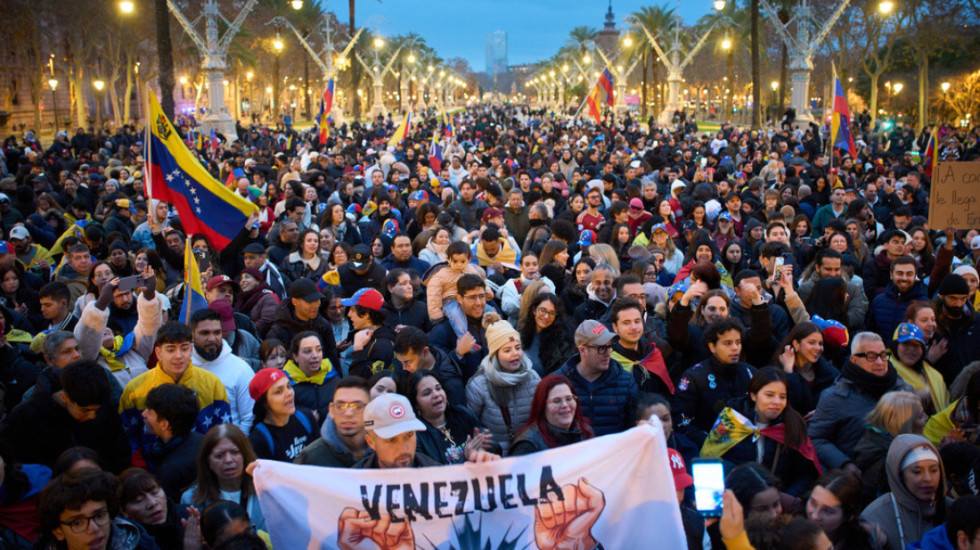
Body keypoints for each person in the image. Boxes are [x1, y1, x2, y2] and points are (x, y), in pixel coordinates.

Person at [701, 367, 822, 497]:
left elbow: (805, 476)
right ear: (753, 395)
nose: (777, 402)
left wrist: (784, 498)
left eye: (782, 397)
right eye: (769, 395)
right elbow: (710, 462)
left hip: (776, 505)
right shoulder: (731, 421)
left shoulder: (793, 426)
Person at [118, 322, 232, 459]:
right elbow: (128, 434)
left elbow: (223, 430)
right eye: (171, 350)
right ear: (159, 353)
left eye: (184, 349)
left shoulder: (212, 383)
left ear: (191, 350)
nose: (179, 356)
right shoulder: (135, 389)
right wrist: (138, 460)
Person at [0, 360, 130, 474]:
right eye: (85, 410)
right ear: (65, 398)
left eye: (97, 410)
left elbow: (120, 449)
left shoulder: (103, 400)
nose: (92, 416)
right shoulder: (26, 417)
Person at [809, 332, 913, 474]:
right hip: (858, 479)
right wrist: (844, 464)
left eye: (883, 355)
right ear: (854, 359)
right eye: (871, 356)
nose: (880, 362)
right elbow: (816, 438)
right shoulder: (835, 397)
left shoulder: (904, 390)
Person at [464, 312, 541, 454]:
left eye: (517, 348)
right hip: (495, 459)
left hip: (528, 454)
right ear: (495, 354)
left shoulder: (533, 378)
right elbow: (470, 425)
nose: (515, 353)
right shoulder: (479, 385)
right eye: (507, 350)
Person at [674, 317, 757, 444]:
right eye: (728, 343)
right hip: (708, 452)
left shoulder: (751, 373)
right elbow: (682, 422)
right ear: (712, 347)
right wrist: (713, 441)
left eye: (738, 342)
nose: (735, 348)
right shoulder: (694, 377)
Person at [861, 435, 949, 550]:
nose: (928, 478)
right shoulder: (875, 517)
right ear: (900, 475)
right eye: (917, 471)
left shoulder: (954, 510)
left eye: (934, 470)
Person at [37, 468, 159, 550]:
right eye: (77, 523)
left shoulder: (140, 543)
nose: (93, 529)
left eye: (99, 516)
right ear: (58, 531)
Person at [558, 319, 639, 437]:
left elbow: (634, 432)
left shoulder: (626, 382)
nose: (608, 353)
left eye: (609, 347)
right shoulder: (559, 383)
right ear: (582, 350)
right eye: (601, 348)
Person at [180, 423, 265, 532]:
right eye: (219, 456)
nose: (228, 460)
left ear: (245, 455)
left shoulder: (267, 491)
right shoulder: (191, 500)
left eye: (235, 452)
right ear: (208, 462)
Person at [853, 391, 928, 505]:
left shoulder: (878, 442)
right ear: (904, 424)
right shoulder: (885, 459)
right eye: (920, 416)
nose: (927, 418)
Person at [189, 308, 256, 434]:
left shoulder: (241, 369)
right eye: (205, 333)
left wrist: (232, 449)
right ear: (192, 334)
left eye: (217, 332)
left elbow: (249, 419)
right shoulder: (183, 366)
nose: (212, 339)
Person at [407, 370, 494, 464]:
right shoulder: (416, 436)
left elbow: (496, 450)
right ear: (416, 404)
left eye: (438, 388)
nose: (436, 394)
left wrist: (488, 444)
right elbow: (435, 474)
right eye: (427, 393)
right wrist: (466, 457)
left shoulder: (462, 414)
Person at [139, 384, 202, 501]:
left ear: (164, 424)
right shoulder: (203, 440)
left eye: (150, 412)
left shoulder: (168, 473)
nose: (144, 414)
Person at [294, 376, 371, 468]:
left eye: (357, 406)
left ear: (370, 409)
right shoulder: (309, 458)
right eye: (340, 406)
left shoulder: (384, 451)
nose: (348, 413)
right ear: (331, 410)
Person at [508, 374, 592, 456]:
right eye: (556, 401)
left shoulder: (585, 431)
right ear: (543, 406)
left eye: (569, 399)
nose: (565, 405)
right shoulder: (527, 446)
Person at [247, 368, 319, 462]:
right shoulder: (259, 439)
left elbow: (321, 459)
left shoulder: (306, 418)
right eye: (279, 391)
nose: (289, 393)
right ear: (264, 402)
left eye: (289, 386)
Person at [266, 279, 340, 369]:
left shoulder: (323, 326)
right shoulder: (278, 332)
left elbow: (333, 359)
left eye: (318, 300)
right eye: (310, 302)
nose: (316, 305)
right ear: (295, 302)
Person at [805, 469, 885, 550]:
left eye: (827, 511)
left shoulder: (861, 542)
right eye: (813, 503)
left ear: (848, 517)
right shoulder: (793, 526)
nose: (815, 515)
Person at [609, 297, 673, 395]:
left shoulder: (653, 354)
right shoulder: (609, 360)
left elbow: (665, 394)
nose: (634, 327)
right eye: (626, 323)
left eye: (637, 321)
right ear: (615, 327)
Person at [775, 321, 841, 415]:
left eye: (820, 344)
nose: (818, 348)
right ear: (796, 344)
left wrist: (822, 412)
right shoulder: (777, 370)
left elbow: (841, 401)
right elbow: (790, 404)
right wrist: (788, 371)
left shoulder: (830, 373)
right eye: (811, 342)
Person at [392, 326, 466, 407]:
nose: (404, 367)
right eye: (400, 361)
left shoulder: (451, 383)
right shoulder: (400, 371)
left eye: (408, 361)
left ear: (425, 352)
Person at [117, 468, 188, 550]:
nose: (152, 503)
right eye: (139, 500)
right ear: (123, 511)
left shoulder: (189, 514)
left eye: (155, 492)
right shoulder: (127, 544)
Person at [891, 323, 950, 415]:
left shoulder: (935, 376)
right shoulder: (884, 369)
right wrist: (917, 396)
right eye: (906, 343)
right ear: (895, 346)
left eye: (916, 345)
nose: (911, 349)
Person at [517, 292, 577, 376]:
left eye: (551, 313)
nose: (546, 316)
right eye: (543, 310)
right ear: (534, 310)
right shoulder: (521, 332)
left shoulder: (562, 341)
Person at [283, 331, 338, 421]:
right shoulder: (285, 384)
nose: (315, 355)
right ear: (295, 356)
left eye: (319, 350)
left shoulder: (332, 377)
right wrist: (305, 417)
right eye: (308, 351)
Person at [344, 288, 397, 378]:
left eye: (352, 310)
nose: (349, 314)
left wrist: (358, 350)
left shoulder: (382, 346)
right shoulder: (373, 336)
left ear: (366, 314)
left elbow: (363, 380)